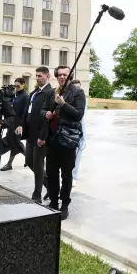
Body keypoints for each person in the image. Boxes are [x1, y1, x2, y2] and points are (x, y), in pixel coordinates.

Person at [45, 66, 86, 220]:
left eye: (65, 74)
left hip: (68, 140)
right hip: (52, 139)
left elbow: (78, 115)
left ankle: (65, 204)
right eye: (60, 75)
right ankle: (53, 202)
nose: (62, 77)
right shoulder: (52, 92)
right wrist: (46, 114)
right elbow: (43, 110)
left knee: (66, 175)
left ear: (70, 76)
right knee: (51, 174)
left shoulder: (78, 92)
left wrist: (64, 104)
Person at [23, 66, 54, 202]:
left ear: (48, 76)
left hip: (40, 135)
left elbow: (48, 117)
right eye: (36, 76)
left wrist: (43, 136)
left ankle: (37, 195)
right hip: (30, 134)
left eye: (40, 76)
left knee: (38, 164)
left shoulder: (50, 92)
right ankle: (51, 186)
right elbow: (28, 112)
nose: (37, 78)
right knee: (29, 161)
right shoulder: (35, 93)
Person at [0, 77, 29, 171]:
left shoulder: (25, 96)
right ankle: (28, 159)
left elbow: (25, 112)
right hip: (11, 123)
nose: (16, 88)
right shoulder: (15, 95)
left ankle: (28, 160)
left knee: (15, 143)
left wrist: (21, 125)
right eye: (15, 86)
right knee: (14, 142)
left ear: (23, 84)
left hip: (18, 124)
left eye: (18, 86)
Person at [71, 80, 87, 187]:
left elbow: (81, 114)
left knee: (77, 155)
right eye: (75, 87)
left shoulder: (83, 99)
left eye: (79, 87)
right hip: (69, 129)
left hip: (80, 129)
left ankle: (73, 176)